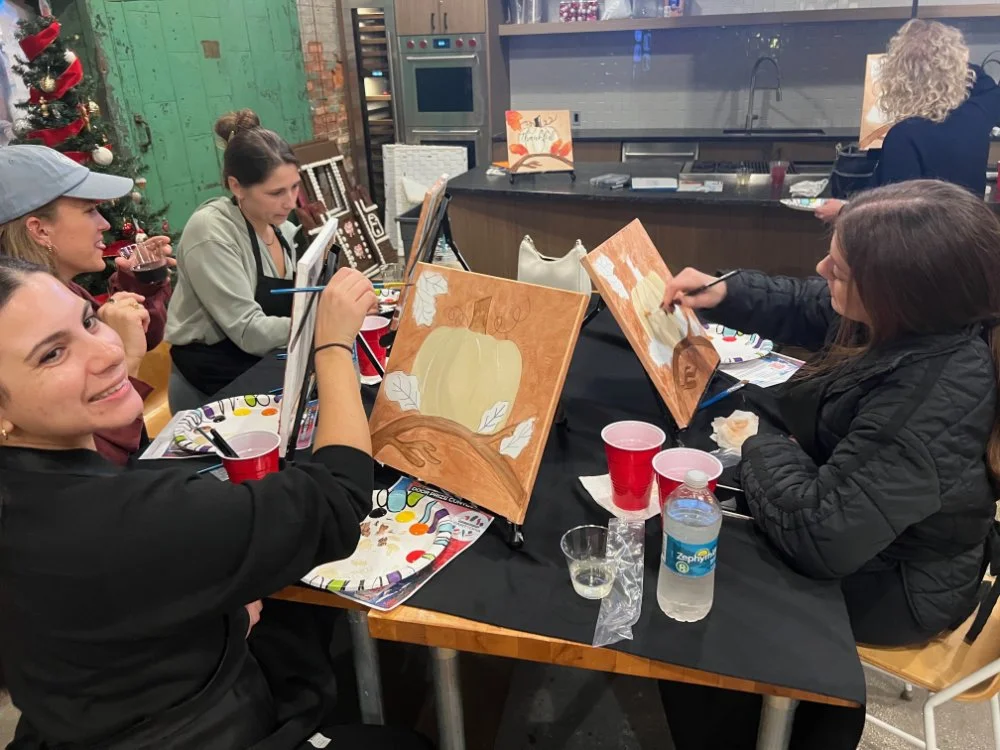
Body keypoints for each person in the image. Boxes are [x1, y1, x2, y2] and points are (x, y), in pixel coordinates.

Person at [0, 256, 430, 749]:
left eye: (87, 320)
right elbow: (337, 496)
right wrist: (332, 346)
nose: (106, 351)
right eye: (52, 354)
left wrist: (217, 623)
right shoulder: (119, 518)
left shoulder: (30, 492)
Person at [661, 180, 1000, 750]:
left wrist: (758, 441)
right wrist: (728, 292)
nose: (822, 269)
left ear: (898, 292)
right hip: (868, 528)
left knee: (702, 573)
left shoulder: (936, 392)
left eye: (839, 268)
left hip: (900, 585)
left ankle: (769, 725)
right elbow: (811, 303)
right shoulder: (920, 319)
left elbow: (821, 536)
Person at [0, 144, 173, 464]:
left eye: (89, 324)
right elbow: (96, 459)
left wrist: (140, 288)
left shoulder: (68, 294)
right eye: (89, 210)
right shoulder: (16, 326)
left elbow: (145, 336)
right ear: (40, 230)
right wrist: (128, 357)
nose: (105, 224)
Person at [166, 109, 303, 411]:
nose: (290, 202)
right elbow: (248, 331)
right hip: (210, 387)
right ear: (236, 186)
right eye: (276, 192)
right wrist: (317, 323)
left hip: (258, 369)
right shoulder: (211, 233)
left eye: (295, 186)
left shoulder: (282, 230)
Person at [817, 20, 1000, 221]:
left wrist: (843, 211)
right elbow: (987, 87)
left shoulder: (905, 135)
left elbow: (894, 215)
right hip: (967, 241)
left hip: (923, 249)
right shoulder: (977, 115)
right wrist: (950, 59)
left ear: (901, 77)